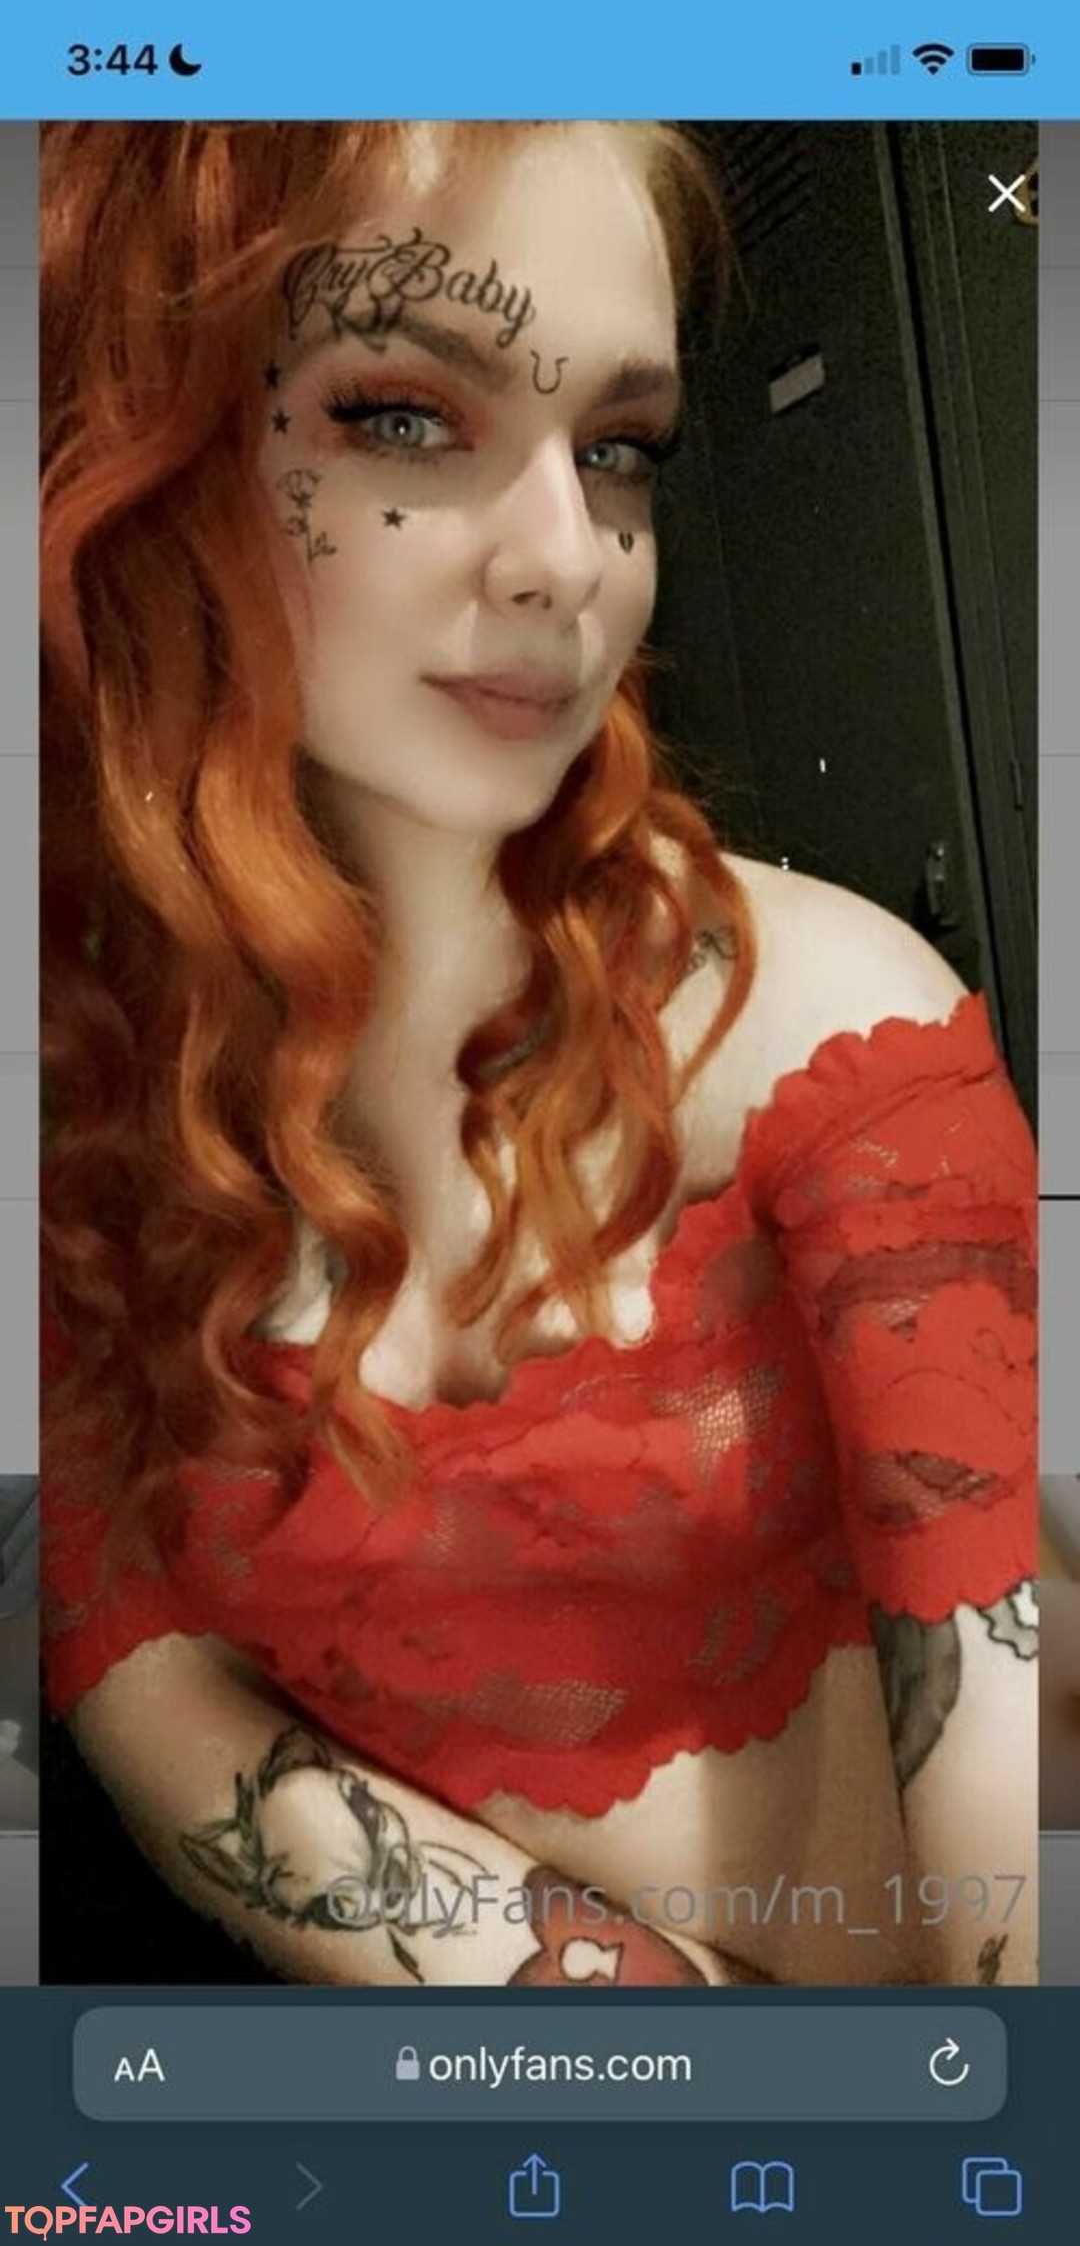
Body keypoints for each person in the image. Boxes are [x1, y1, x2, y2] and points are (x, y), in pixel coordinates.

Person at [40, 118, 1037, 1989]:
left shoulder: (835, 1034)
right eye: (406, 416)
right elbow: (147, 1686)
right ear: (146, 446)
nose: (569, 559)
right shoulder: (87, 1124)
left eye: (619, 449)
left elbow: (1011, 1877)